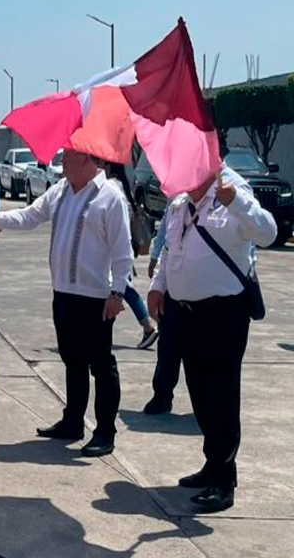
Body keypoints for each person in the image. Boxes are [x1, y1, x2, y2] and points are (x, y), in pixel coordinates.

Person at [0, 149, 132, 457]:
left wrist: (118, 293)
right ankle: (73, 420)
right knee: (72, 360)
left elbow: (122, 251)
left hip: (96, 297)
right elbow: (30, 215)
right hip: (64, 292)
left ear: (87, 159)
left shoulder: (110, 196)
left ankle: (104, 431)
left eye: (68, 156)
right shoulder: (60, 191)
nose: (61, 161)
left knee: (101, 365)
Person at [147, 167, 275, 513]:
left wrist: (236, 203)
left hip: (223, 314)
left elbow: (267, 233)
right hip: (185, 312)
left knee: (221, 394)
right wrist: (158, 287)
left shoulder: (233, 194)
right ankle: (211, 462)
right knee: (200, 392)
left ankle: (224, 479)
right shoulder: (179, 203)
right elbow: (172, 251)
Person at [143, 163, 243, 415]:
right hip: (179, 300)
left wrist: (237, 203)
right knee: (174, 353)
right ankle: (163, 394)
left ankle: (221, 452)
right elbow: (169, 240)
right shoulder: (180, 196)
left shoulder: (233, 188)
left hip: (221, 306)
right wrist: (158, 281)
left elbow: (262, 236)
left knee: (220, 384)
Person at [107, 162, 159, 349]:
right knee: (122, 286)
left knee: (123, 287)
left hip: (117, 247)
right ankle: (147, 326)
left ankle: (148, 327)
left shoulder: (112, 187)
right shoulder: (122, 185)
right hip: (123, 245)